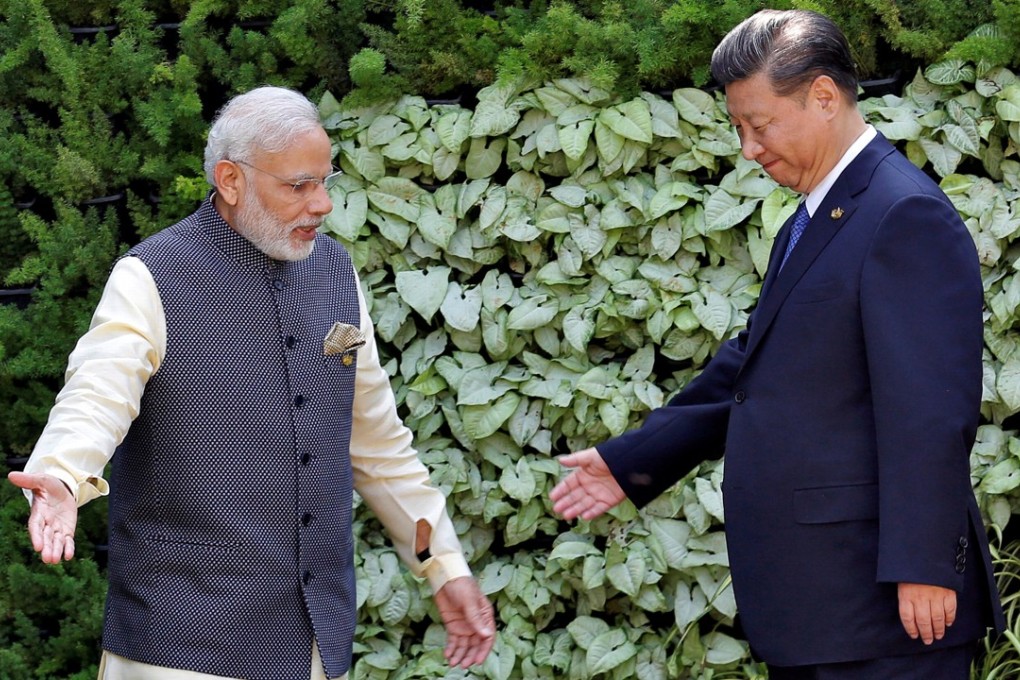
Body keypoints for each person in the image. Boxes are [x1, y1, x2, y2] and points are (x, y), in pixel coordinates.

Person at [550, 9, 1004, 679]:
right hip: (822, 610)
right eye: (738, 128)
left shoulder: (902, 213)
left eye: (758, 125)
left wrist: (926, 565)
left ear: (823, 96)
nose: (749, 148)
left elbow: (930, 410)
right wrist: (633, 460)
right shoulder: (821, 212)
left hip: (886, 618)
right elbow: (756, 366)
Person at [8, 85, 495, 680]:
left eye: (325, 181)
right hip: (178, 656)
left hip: (315, 652)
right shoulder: (150, 277)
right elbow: (96, 395)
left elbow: (379, 448)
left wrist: (442, 566)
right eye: (298, 186)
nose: (322, 205)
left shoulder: (339, 275)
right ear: (231, 181)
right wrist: (60, 474)